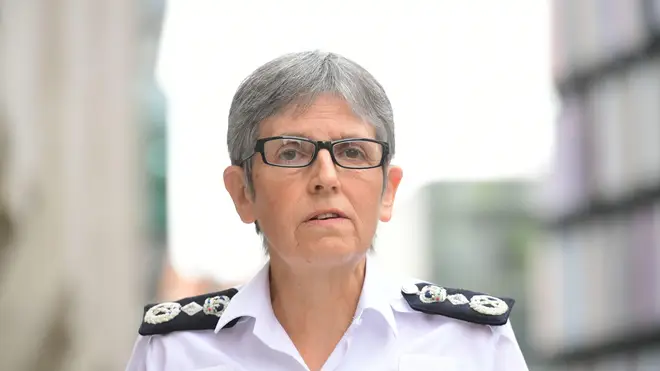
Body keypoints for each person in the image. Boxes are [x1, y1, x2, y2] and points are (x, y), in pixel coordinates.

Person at [125, 50, 529, 371]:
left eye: (352, 152)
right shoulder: (173, 354)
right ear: (242, 192)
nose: (326, 177)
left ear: (388, 190)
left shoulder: (474, 346)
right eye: (291, 152)